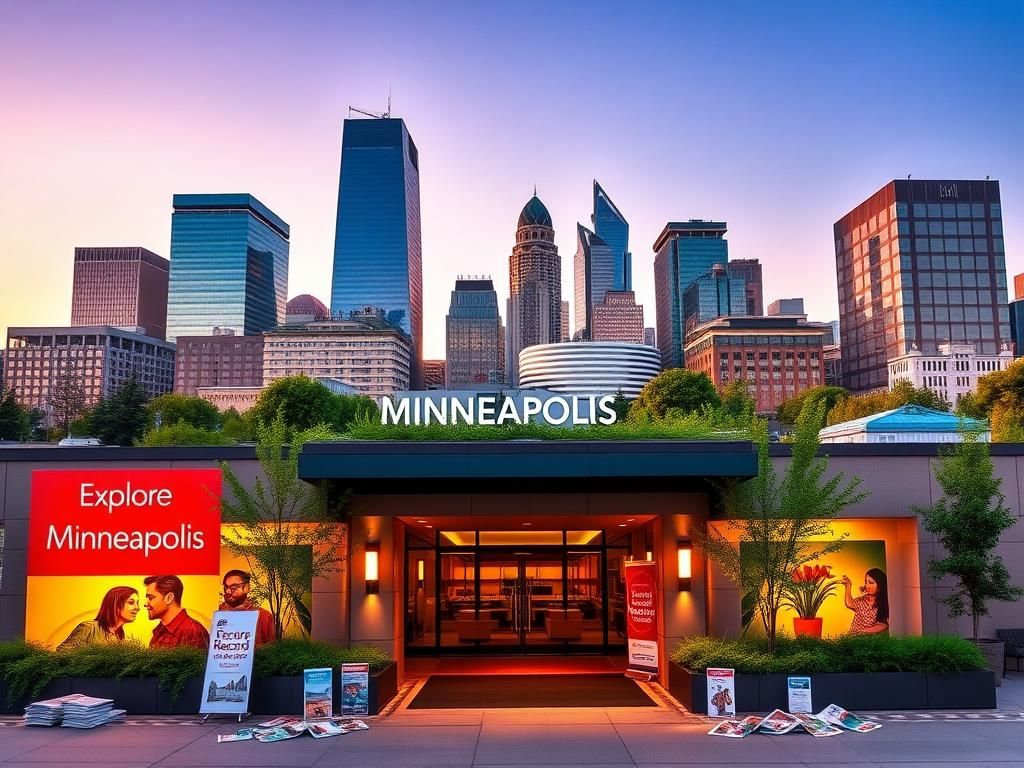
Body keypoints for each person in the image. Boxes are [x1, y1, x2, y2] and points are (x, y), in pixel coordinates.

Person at [58, 586, 139, 650]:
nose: (137, 608)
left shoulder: (120, 634)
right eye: (131, 602)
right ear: (115, 605)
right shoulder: (88, 627)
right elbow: (63, 652)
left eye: (137, 603)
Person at [144, 575, 211, 649]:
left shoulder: (192, 631)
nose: (145, 604)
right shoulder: (159, 630)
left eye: (150, 598)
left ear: (169, 598)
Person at [219, 569, 276, 645]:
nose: (228, 591)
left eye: (234, 588)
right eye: (225, 587)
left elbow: (271, 650)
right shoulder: (217, 613)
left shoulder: (263, 616)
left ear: (247, 588)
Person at [841, 568, 889, 635]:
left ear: (880, 584)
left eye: (871, 583)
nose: (867, 586)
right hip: (852, 638)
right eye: (866, 582)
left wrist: (863, 632)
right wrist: (848, 585)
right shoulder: (863, 599)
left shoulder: (884, 603)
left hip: (867, 641)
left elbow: (883, 625)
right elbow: (850, 603)